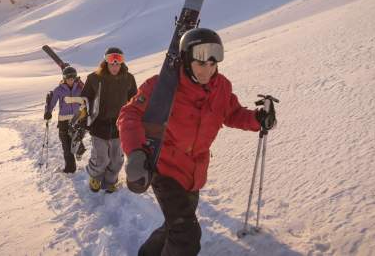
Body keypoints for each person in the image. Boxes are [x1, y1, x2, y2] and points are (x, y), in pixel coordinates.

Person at [117, 28, 277, 255]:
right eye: (201, 63)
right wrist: (135, 153)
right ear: (186, 59)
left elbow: (232, 113)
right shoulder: (162, 86)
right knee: (186, 235)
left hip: (195, 172)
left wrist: (258, 119)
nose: (208, 70)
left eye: (213, 63)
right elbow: (129, 114)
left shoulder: (221, 86)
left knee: (175, 225)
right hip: (165, 168)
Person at [80, 47, 137, 193]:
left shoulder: (128, 78)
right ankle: (95, 177)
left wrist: (135, 119)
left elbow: (134, 100)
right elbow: (85, 100)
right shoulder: (94, 78)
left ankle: (110, 181)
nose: (115, 64)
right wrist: (84, 118)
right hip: (99, 125)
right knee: (102, 159)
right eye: (112, 60)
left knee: (116, 160)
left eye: (118, 61)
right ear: (105, 61)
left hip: (119, 125)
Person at [44, 66, 85, 173]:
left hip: (77, 120)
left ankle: (79, 150)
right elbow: (51, 102)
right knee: (66, 146)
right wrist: (48, 112)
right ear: (64, 77)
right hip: (63, 121)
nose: (71, 79)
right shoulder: (59, 90)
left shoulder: (80, 88)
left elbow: (88, 98)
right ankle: (70, 169)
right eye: (68, 77)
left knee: (75, 142)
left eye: (73, 77)